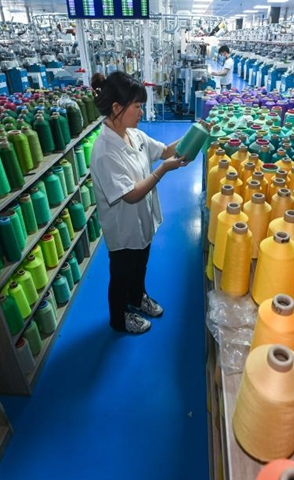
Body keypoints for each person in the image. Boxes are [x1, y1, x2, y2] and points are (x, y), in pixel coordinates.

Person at [89, 71, 189, 334]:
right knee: (122, 274)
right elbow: (131, 194)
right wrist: (162, 170)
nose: (142, 112)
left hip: (142, 222)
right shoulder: (104, 152)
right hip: (123, 229)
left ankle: (137, 297)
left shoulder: (134, 135)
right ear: (117, 108)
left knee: (140, 265)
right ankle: (119, 317)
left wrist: (193, 134)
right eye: (137, 107)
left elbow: (165, 151)